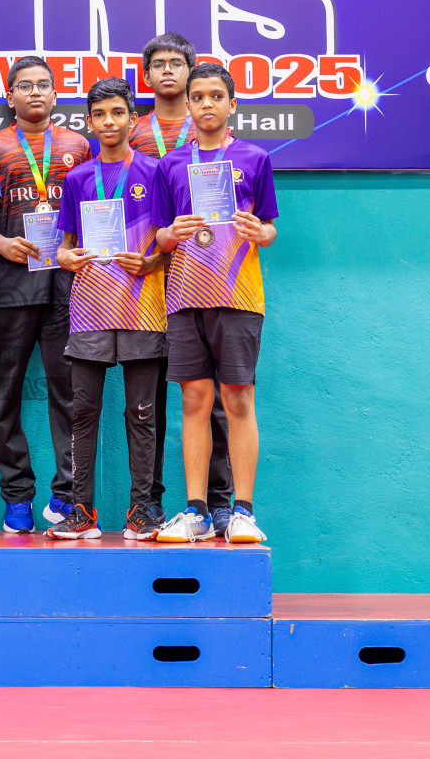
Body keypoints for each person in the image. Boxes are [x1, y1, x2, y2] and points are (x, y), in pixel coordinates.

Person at [150, 62, 279, 544]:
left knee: (238, 399)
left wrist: (258, 231)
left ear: (231, 104)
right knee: (194, 400)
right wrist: (170, 233)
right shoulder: (172, 164)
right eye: (197, 97)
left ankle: (242, 512)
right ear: (187, 105)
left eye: (215, 96)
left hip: (239, 295)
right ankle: (197, 511)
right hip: (185, 296)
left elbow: (269, 227)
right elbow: (160, 237)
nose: (206, 104)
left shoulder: (254, 158)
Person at [44, 79, 168, 540]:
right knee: (83, 413)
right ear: (90, 122)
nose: (110, 122)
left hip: (143, 307)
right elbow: (65, 247)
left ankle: (142, 510)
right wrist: (66, 258)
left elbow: (169, 245)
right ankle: (81, 510)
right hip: (91, 308)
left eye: (118, 112)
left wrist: (153, 259)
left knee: (141, 412)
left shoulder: (155, 172)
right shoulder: (77, 179)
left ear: (133, 117)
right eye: (100, 115)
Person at [130, 33, 236, 537]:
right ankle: (149, 503)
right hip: (142, 279)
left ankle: (219, 504)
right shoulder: (132, 134)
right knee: (149, 395)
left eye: (178, 64)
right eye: (159, 65)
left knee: (210, 397)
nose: (168, 72)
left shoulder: (214, 138)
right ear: (146, 76)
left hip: (208, 275)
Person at [0, 56, 90, 532]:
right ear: (10, 97)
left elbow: (94, 211)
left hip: (68, 287)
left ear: (56, 94)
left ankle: (68, 497)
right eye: (25, 86)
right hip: (8, 286)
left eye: (45, 85)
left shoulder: (79, 146)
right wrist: (1, 242)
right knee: (3, 395)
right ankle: (17, 498)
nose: (36, 93)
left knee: (69, 395)